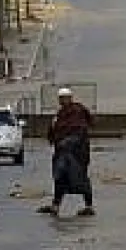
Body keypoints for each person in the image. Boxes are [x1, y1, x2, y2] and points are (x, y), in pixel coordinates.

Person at [38, 87, 94, 216]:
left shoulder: (77, 110)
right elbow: (54, 129)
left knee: (81, 178)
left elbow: (81, 129)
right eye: (60, 98)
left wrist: (69, 141)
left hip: (77, 153)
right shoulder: (60, 113)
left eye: (64, 98)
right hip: (61, 152)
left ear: (70, 98)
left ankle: (89, 206)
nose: (62, 100)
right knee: (59, 178)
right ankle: (55, 206)